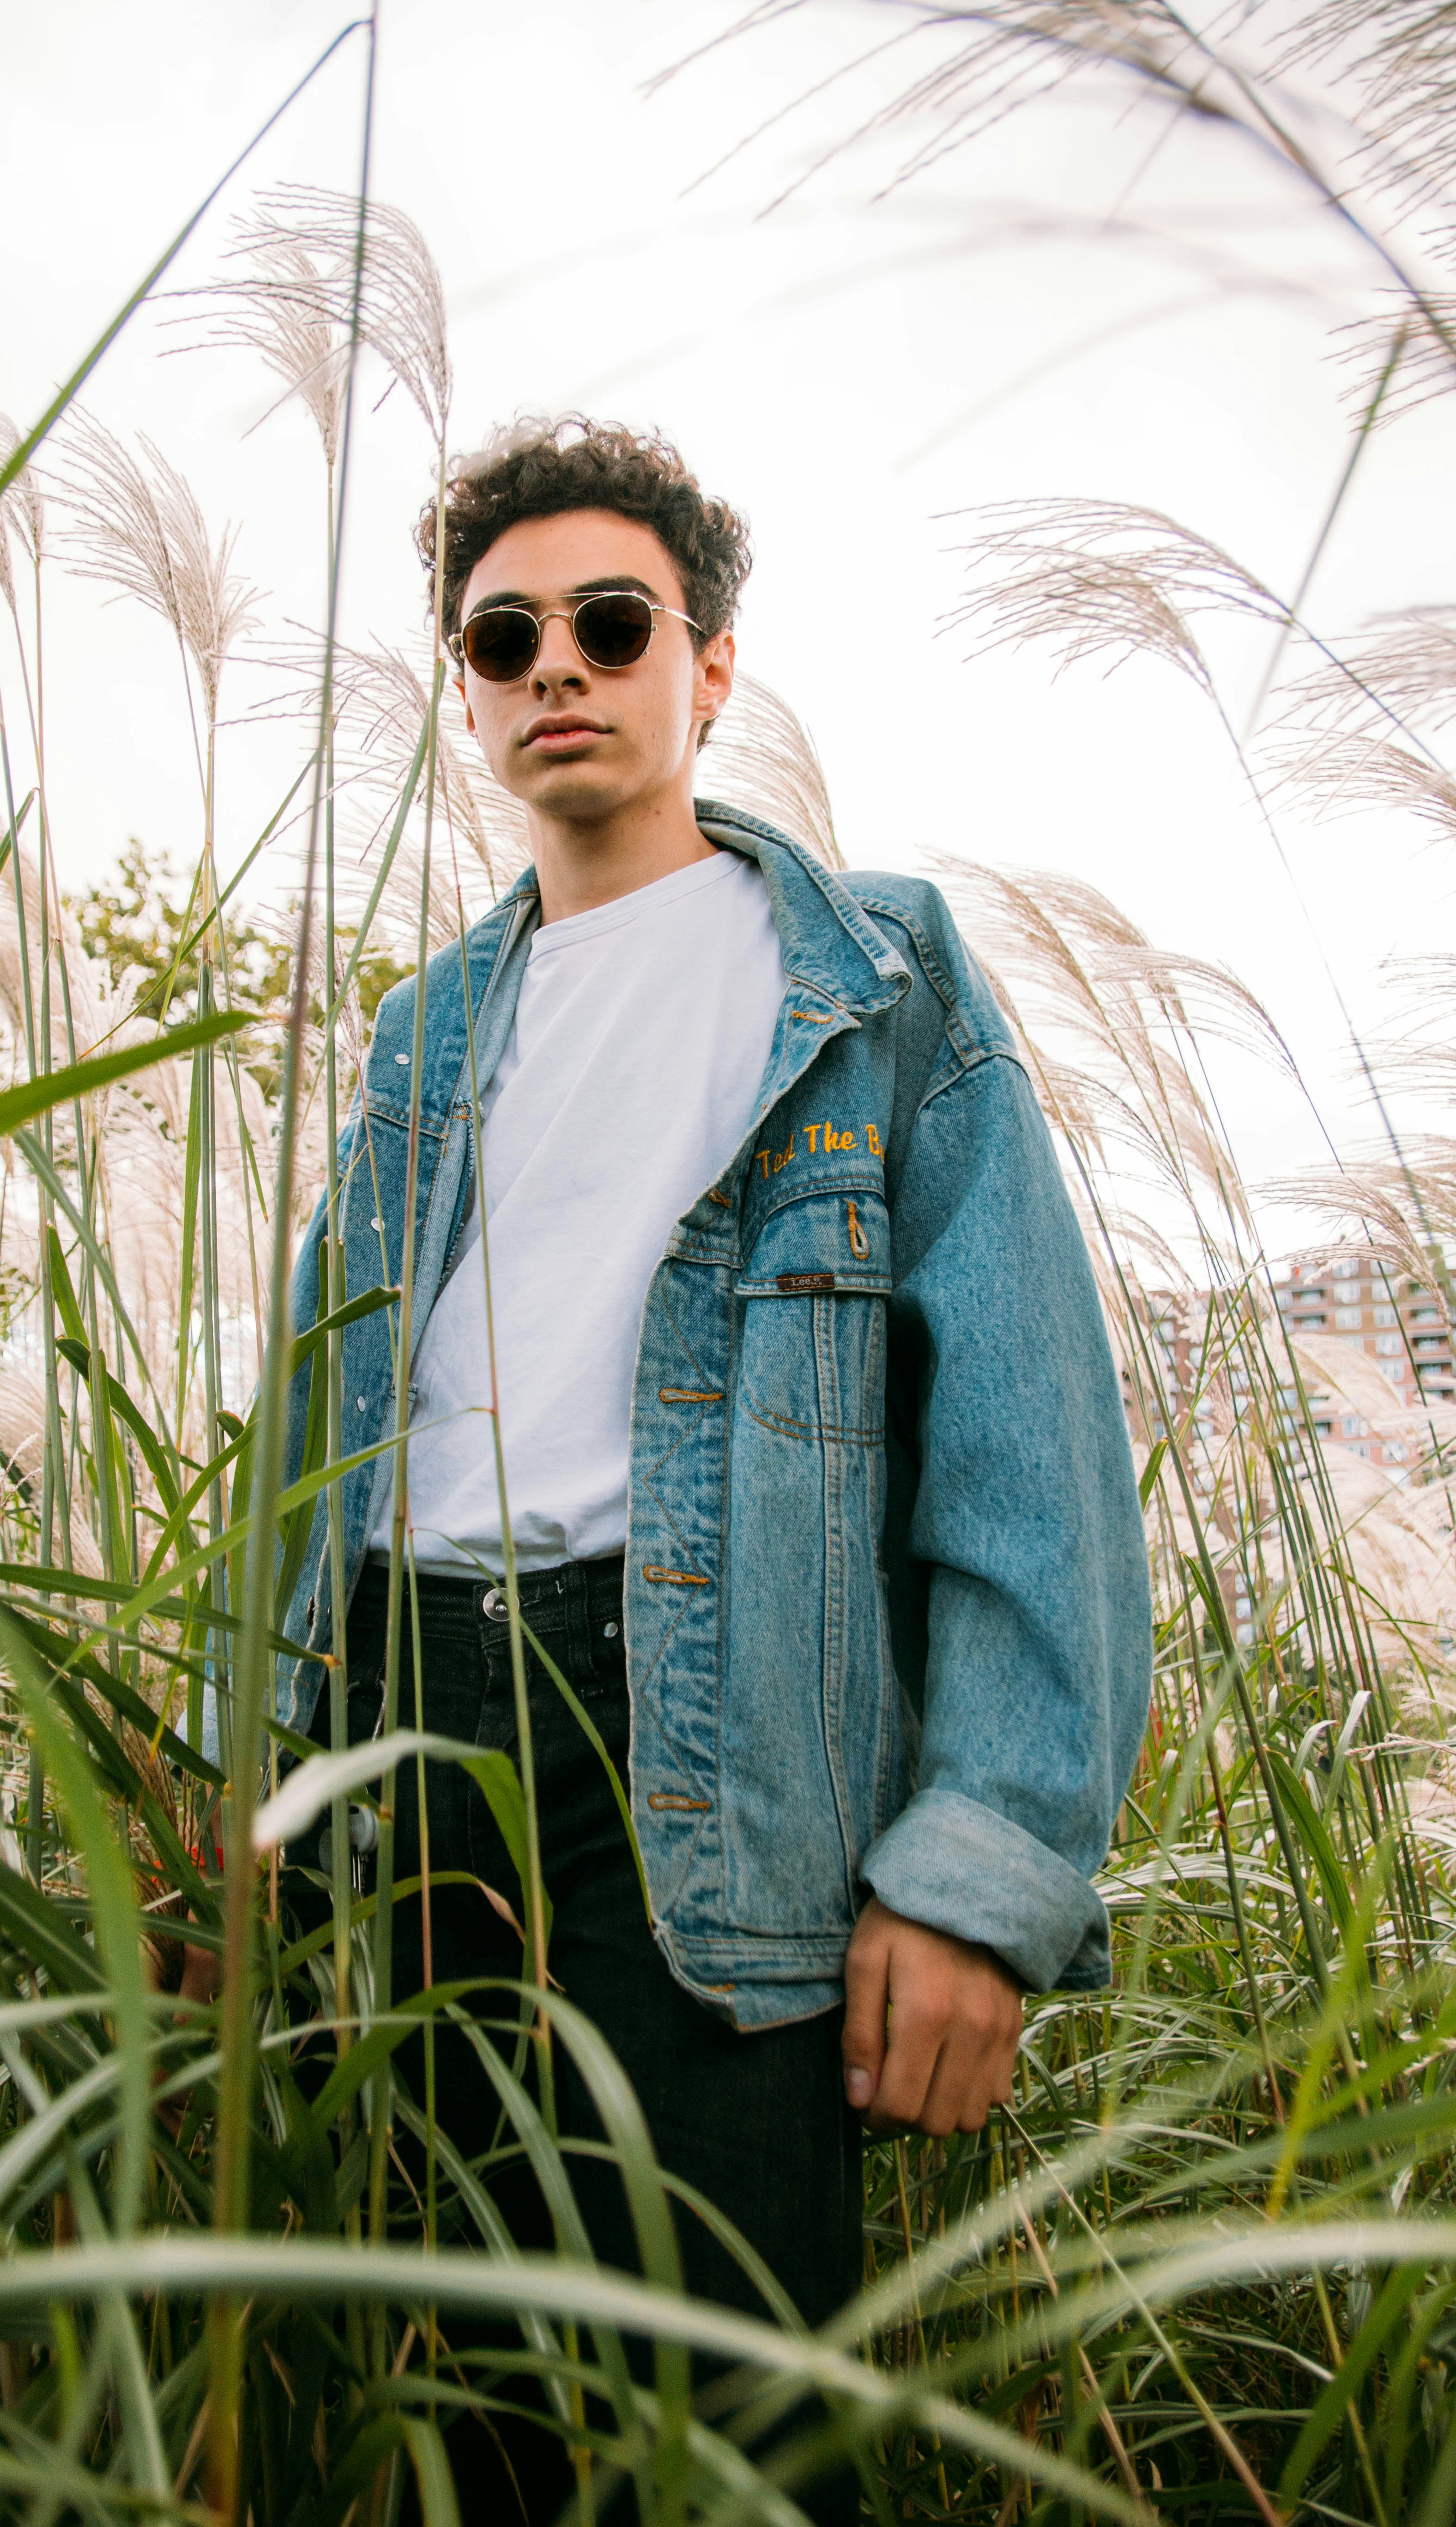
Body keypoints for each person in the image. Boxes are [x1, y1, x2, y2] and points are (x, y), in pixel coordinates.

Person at [277, 416, 1152, 2522]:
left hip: (701, 1749)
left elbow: (1038, 1439)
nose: (556, 665)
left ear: (712, 664)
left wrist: (981, 1869)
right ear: (468, 688)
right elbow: (319, 1437)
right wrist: (268, 1790)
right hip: (399, 1742)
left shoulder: (872, 977)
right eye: (505, 636)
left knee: (745, 2443)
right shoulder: (423, 1033)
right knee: (454, 2430)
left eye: (610, 620)